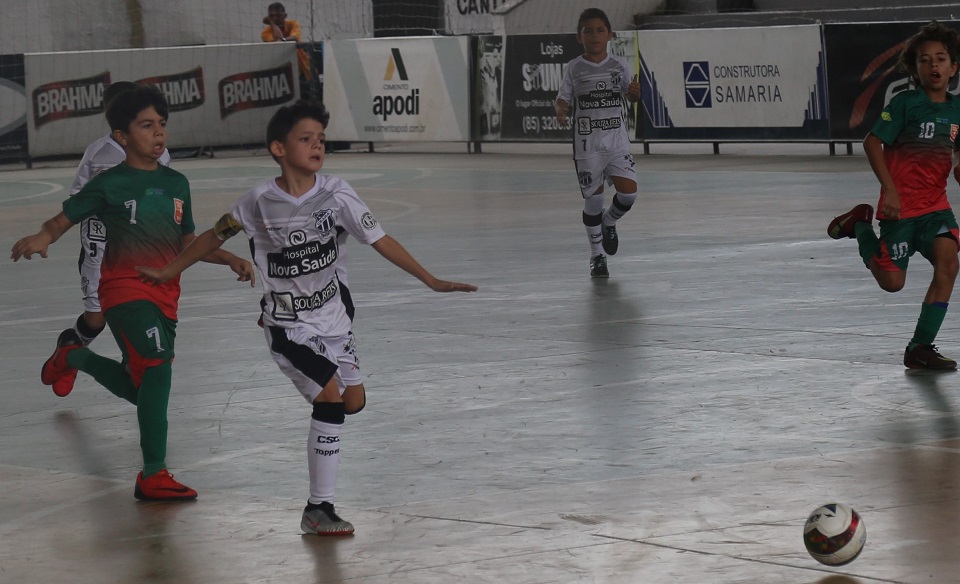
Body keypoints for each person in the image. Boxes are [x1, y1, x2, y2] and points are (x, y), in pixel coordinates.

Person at [136, 100, 477, 535]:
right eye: (305, 138)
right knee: (329, 400)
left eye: (321, 139)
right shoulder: (258, 202)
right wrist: (169, 270)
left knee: (353, 402)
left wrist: (430, 280)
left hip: (335, 317)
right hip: (290, 326)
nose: (317, 145)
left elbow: (380, 239)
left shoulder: (337, 193)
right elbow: (211, 236)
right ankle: (319, 509)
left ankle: (322, 481)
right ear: (278, 148)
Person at [10, 86, 255, 500]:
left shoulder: (177, 183)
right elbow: (61, 219)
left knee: (142, 388)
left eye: (162, 125)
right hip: (123, 290)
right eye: (146, 126)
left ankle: (73, 356)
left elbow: (189, 242)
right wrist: (43, 235)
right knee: (158, 366)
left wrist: (228, 257)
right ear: (121, 138)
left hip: (165, 295)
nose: (158, 133)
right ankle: (153, 474)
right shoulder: (110, 184)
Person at [828, 20, 960, 370]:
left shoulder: (957, 110)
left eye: (941, 59)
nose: (934, 65)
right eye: (925, 60)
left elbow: (957, 151)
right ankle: (858, 224)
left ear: (953, 67)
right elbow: (872, 141)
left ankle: (920, 347)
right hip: (900, 208)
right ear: (915, 68)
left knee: (949, 264)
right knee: (892, 283)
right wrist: (889, 188)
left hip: (936, 208)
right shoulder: (905, 104)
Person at [63, 81, 173, 364]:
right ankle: (67, 354)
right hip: (100, 247)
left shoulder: (158, 150)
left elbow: (164, 192)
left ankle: (138, 363)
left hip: (139, 247)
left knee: (137, 306)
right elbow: (77, 194)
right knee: (96, 319)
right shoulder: (98, 153)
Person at [555, 7, 641, 278]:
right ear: (579, 37)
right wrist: (560, 109)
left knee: (629, 194)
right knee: (593, 201)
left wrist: (635, 94)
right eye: (588, 31)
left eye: (600, 30)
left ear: (610, 35)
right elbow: (563, 98)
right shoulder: (574, 68)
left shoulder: (619, 65)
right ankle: (597, 256)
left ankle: (609, 222)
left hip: (616, 141)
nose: (594, 35)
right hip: (587, 144)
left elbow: (631, 96)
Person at [262, 2, 312, 85]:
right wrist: (272, 24)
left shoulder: (293, 24)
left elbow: (294, 37)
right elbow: (278, 42)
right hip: (282, 71)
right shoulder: (265, 32)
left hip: (303, 68)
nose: (275, 18)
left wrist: (283, 40)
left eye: (278, 15)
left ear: (285, 16)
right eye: (271, 16)